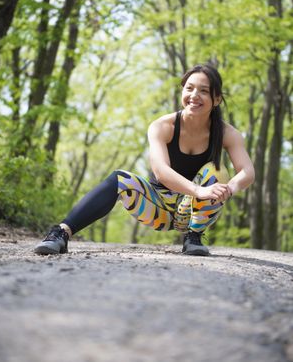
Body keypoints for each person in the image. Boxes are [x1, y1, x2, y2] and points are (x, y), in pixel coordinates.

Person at [34, 63, 255, 257]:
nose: (194, 95)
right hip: (158, 207)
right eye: (189, 88)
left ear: (217, 99)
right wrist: (198, 190)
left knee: (217, 171)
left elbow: (247, 172)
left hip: (195, 212)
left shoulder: (227, 133)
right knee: (118, 178)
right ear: (182, 91)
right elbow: (160, 171)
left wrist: (229, 189)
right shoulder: (163, 126)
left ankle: (194, 237)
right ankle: (61, 233)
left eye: (204, 91)